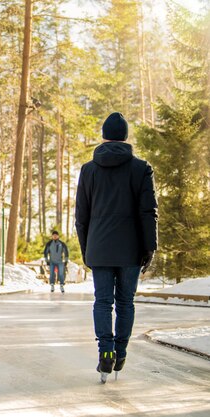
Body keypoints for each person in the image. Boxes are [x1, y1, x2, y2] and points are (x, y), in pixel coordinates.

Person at [75, 112, 158, 382]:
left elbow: (81, 216)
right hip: (130, 248)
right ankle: (120, 352)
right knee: (125, 302)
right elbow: (148, 212)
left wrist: (86, 248)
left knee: (102, 301)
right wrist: (150, 247)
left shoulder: (88, 170)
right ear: (125, 136)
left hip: (99, 246)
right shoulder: (141, 168)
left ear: (104, 135)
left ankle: (105, 353)